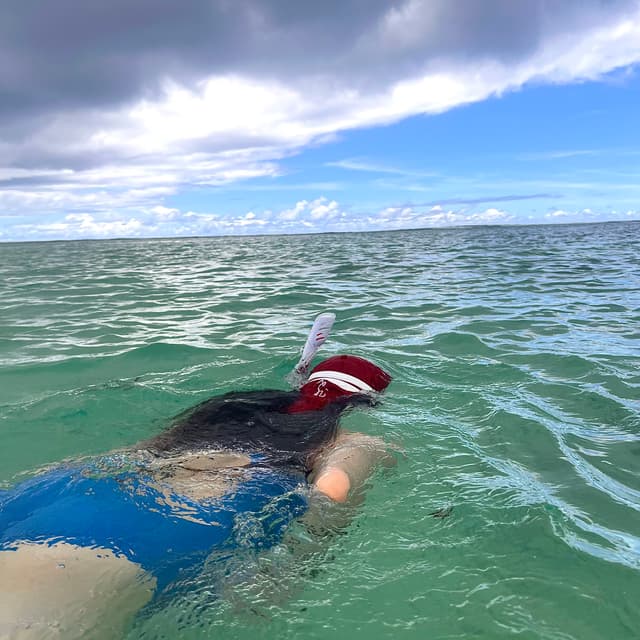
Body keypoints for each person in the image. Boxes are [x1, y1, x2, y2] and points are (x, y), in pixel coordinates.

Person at [0, 354, 392, 639]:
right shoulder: (346, 440)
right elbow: (333, 489)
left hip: (57, 491)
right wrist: (287, 571)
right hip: (150, 527)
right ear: (367, 404)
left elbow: (130, 454)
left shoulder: (225, 411)